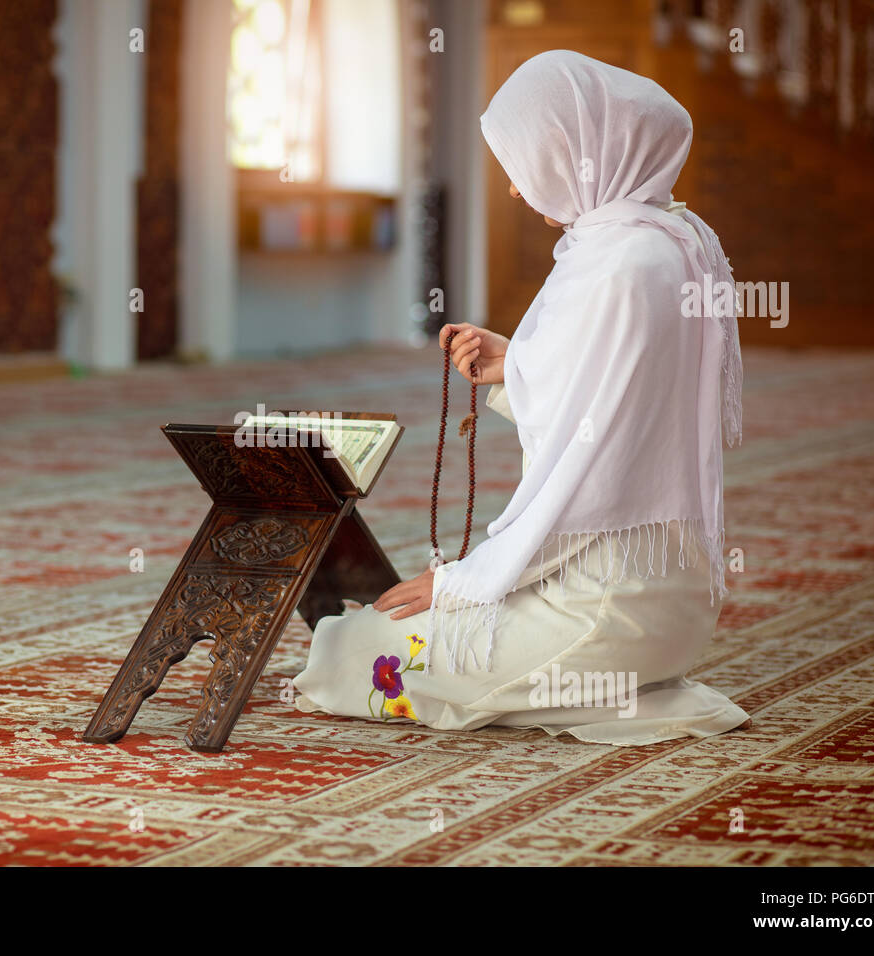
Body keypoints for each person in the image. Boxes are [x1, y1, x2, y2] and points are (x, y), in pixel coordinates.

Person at [291, 50, 752, 745]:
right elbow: (619, 406)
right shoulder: (678, 239)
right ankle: (639, 687)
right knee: (387, 632)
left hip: (602, 610)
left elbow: (587, 473)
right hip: (673, 603)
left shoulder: (617, 263)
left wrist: (461, 582)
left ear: (577, 152)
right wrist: (517, 364)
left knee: (350, 650)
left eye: (525, 160)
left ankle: (619, 694)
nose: (514, 189)